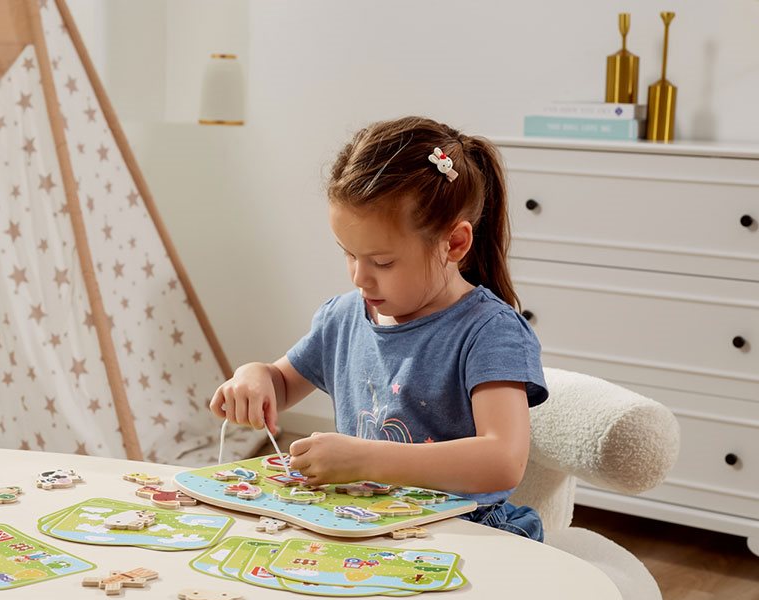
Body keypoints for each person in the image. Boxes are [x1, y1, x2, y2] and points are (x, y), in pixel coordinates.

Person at [209, 116, 549, 541]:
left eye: (382, 262)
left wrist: (365, 460)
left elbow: (503, 460)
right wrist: (254, 377)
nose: (359, 277)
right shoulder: (343, 317)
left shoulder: (490, 332)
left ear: (455, 243)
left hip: (466, 533)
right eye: (349, 254)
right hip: (365, 526)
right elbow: (281, 381)